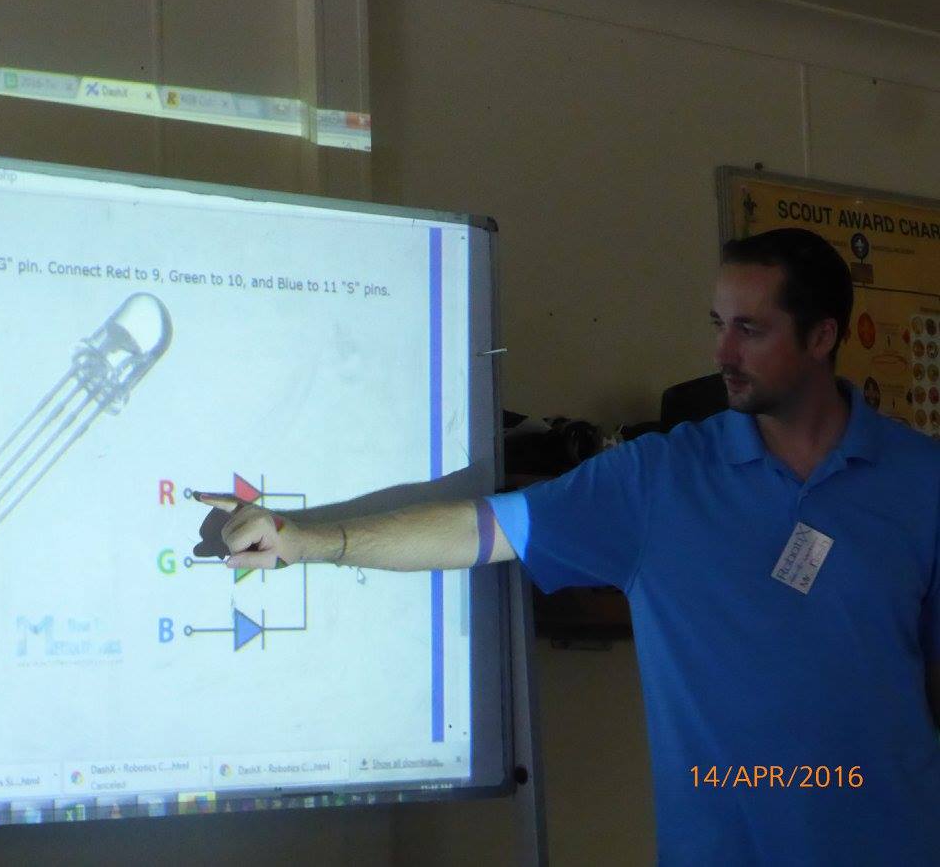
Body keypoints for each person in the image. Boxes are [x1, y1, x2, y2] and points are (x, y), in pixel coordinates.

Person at [197, 227, 940, 866]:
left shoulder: (921, 481)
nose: (721, 351)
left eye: (750, 329)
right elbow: (482, 529)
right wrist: (309, 540)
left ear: (822, 337)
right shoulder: (659, 481)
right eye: (717, 323)